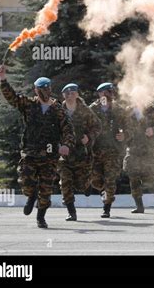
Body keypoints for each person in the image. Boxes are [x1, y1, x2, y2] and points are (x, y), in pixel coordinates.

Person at [0, 65, 75, 228]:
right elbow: (12, 97)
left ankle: (41, 217)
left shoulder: (58, 110)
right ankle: (31, 196)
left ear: (50, 89)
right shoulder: (29, 104)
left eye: (46, 88)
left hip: (49, 157)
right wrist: (3, 79)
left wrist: (66, 145)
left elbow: (68, 129)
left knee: (46, 189)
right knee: (25, 179)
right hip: (30, 153)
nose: (44, 91)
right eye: (41, 89)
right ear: (36, 90)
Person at [58, 83, 101, 221]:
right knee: (65, 181)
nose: (70, 96)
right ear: (63, 95)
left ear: (77, 94)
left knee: (81, 184)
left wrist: (89, 137)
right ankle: (72, 212)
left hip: (82, 154)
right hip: (65, 154)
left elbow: (97, 126)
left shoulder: (85, 110)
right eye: (67, 93)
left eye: (73, 93)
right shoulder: (59, 110)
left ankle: (87, 185)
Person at [89, 82, 131, 218]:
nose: (109, 95)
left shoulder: (119, 110)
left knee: (110, 180)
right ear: (100, 93)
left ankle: (106, 208)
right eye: (106, 92)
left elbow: (130, 128)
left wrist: (125, 135)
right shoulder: (92, 109)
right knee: (95, 180)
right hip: (95, 151)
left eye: (111, 92)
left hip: (113, 151)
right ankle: (104, 191)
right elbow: (84, 126)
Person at [124, 101, 154, 214]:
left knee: (150, 179)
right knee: (134, 179)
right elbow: (120, 125)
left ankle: (145, 187)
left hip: (149, 152)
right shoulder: (128, 111)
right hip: (133, 152)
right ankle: (139, 206)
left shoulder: (153, 109)